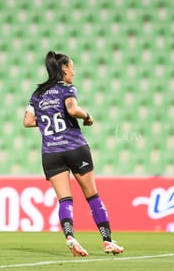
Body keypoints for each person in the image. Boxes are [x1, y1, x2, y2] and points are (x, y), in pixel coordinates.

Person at [23, 51, 123, 257]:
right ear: (64, 69)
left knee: (64, 200)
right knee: (92, 195)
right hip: (74, 148)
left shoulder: (37, 94)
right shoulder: (67, 89)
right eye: (72, 68)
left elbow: (27, 122)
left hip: (50, 152)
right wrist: (88, 116)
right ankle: (107, 241)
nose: (74, 73)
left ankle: (70, 236)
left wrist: (47, 119)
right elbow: (72, 109)